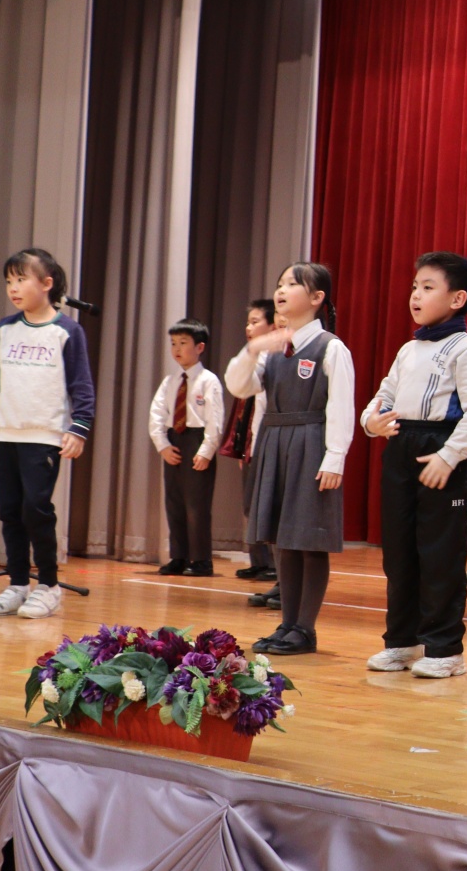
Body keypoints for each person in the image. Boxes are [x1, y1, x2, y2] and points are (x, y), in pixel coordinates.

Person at [360, 253, 467, 678]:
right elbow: (384, 396)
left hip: (441, 447)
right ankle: (401, 642)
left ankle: (444, 649)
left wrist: (448, 456)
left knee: (440, 554)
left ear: (457, 298)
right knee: (399, 552)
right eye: (415, 287)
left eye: (427, 287)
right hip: (401, 447)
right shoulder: (408, 349)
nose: (415, 295)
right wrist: (370, 422)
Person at [225, 262, 355, 657]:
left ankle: (304, 629)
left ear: (316, 297)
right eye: (280, 283)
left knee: (308, 539)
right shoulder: (273, 350)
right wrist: (252, 349)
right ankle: (287, 624)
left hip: (311, 443)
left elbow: (341, 406)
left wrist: (334, 458)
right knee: (282, 540)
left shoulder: (330, 347)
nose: (281, 290)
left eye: (292, 284)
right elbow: (239, 386)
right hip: (275, 441)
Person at [0, 248, 96, 619]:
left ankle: (50, 587)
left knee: (35, 509)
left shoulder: (67, 331)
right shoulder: (4, 329)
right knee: (10, 511)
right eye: (9, 281)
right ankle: (18, 584)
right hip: (8, 434)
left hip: (44, 437)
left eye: (21, 279)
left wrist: (79, 429)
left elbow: (82, 386)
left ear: (47, 284)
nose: (13, 287)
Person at [149, 317, 224, 578]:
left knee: (197, 506)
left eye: (183, 343)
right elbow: (156, 415)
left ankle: (201, 560)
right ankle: (178, 557)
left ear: (200, 347)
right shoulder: (170, 381)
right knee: (174, 503)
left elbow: (215, 420)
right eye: (173, 343)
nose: (177, 349)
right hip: (175, 442)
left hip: (197, 440)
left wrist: (206, 451)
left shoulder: (208, 380)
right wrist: (163, 445)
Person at [225, 299, 279, 585]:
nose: (249, 327)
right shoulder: (250, 358)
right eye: (248, 322)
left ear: (273, 325)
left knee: (268, 506)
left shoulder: (276, 358)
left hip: (269, 442)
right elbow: (242, 408)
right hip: (251, 442)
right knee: (251, 506)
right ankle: (259, 561)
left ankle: (274, 565)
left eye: (255, 321)